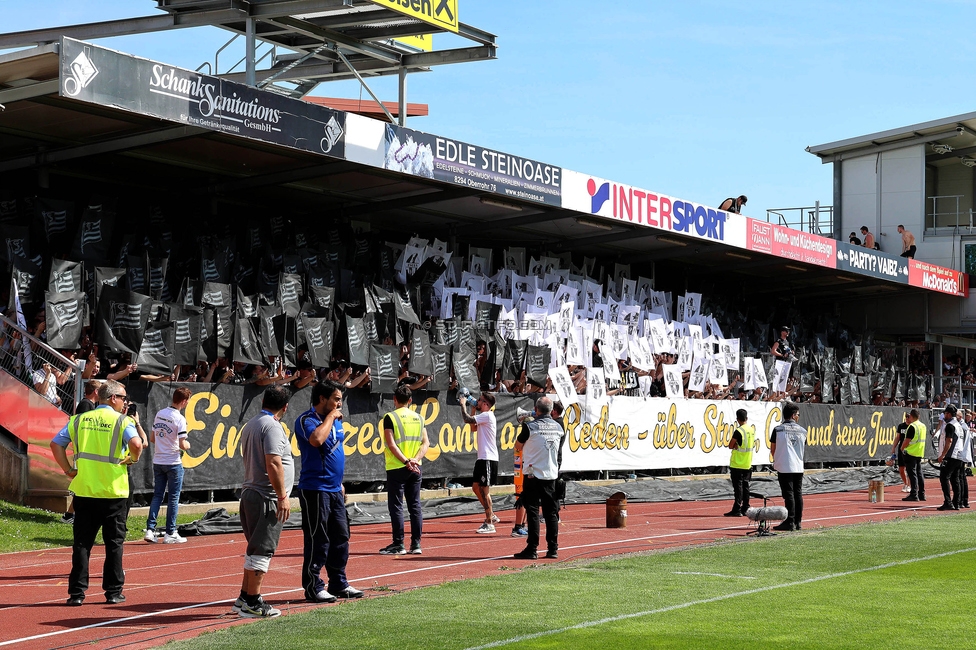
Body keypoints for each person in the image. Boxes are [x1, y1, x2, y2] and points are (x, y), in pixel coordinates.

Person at [48, 379, 144, 606]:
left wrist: (68, 469)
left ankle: (76, 594)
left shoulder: (79, 419)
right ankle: (113, 592)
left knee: (82, 545)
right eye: (123, 398)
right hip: (113, 493)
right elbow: (137, 444)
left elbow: (55, 444)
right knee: (114, 545)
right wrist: (133, 459)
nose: (125, 402)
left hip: (85, 491)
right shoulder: (122, 421)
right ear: (113, 398)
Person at [294, 381, 363, 602]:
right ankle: (313, 586)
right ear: (322, 398)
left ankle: (338, 583)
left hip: (334, 489)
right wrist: (331, 417)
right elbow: (316, 440)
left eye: (340, 399)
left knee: (341, 537)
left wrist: (340, 482)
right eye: (335, 399)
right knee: (318, 538)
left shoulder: (334, 421)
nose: (339, 403)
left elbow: (335, 451)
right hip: (315, 489)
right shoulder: (307, 420)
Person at [233, 385, 294, 618]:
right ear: (285, 407)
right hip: (266, 496)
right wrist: (282, 496)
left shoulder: (252, 423)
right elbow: (274, 463)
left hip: (251, 492)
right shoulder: (272, 426)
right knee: (262, 549)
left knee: (254, 547)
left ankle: (244, 596)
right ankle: (252, 602)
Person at [380, 384, 430, 555]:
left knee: (396, 506)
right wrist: (415, 460)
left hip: (397, 467)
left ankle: (398, 543)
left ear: (394, 400)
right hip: (416, 467)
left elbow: (391, 444)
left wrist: (405, 461)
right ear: (410, 400)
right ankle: (416, 545)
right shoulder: (419, 418)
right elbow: (426, 443)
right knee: (415, 506)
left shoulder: (390, 417)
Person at [513, 396, 564, 560]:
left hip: (533, 475)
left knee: (533, 512)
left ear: (536, 409)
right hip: (550, 475)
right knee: (551, 513)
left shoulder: (529, 426)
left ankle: (532, 548)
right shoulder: (558, 427)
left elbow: (517, 446)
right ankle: (553, 549)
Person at [144, 387, 192, 544]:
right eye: (187, 401)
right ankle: (170, 532)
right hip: (172, 462)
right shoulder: (179, 419)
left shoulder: (160, 414)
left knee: (157, 495)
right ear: (183, 401)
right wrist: (188, 445)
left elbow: (152, 438)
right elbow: (183, 444)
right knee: (173, 498)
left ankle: (150, 530)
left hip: (158, 461)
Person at [461, 392, 499, 534]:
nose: (477, 401)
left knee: (484, 489)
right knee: (476, 487)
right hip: (482, 458)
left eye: (480, 400)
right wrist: (472, 409)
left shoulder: (488, 415)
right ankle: (491, 515)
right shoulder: (483, 416)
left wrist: (463, 404)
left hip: (488, 458)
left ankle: (489, 522)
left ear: (485, 404)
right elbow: (472, 427)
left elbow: (466, 420)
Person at [770, 402, 806, 531]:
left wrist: (778, 458)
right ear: (793, 415)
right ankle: (798, 521)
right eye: (797, 414)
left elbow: (772, 449)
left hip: (784, 465)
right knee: (798, 493)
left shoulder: (778, 429)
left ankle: (790, 521)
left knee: (789, 494)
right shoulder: (803, 431)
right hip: (798, 465)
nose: (798, 417)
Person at [724, 408, 755, 517]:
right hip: (747, 462)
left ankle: (737, 508)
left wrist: (736, 445)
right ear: (746, 418)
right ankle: (746, 507)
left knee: (738, 488)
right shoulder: (751, 430)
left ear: (738, 419)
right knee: (746, 487)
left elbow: (730, 445)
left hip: (737, 463)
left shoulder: (739, 431)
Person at [936, 405, 966, 510]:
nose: (944, 415)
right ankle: (956, 502)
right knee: (955, 479)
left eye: (945, 413)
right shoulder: (959, 425)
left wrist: (942, 455)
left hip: (951, 455)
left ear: (949, 414)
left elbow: (949, 441)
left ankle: (948, 502)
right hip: (959, 455)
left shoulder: (950, 425)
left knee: (944, 477)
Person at [901, 409, 927, 502]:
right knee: (919, 474)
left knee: (912, 474)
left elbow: (907, 441)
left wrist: (902, 448)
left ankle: (914, 494)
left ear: (911, 416)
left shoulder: (912, 426)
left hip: (911, 452)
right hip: (919, 452)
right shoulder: (923, 426)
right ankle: (922, 494)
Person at [891, 419, 911, 493]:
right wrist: (893, 447)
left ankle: (909, 485)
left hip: (910, 450)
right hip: (901, 450)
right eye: (906, 417)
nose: (907, 418)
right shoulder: (901, 426)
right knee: (901, 469)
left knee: (909, 469)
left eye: (909, 417)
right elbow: (898, 437)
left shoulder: (912, 426)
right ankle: (905, 483)